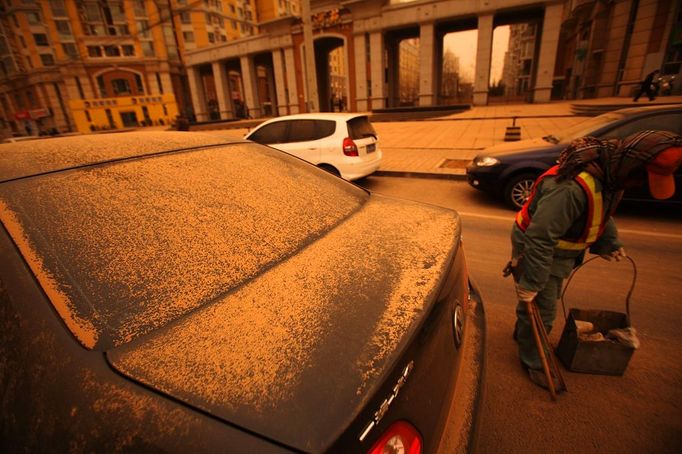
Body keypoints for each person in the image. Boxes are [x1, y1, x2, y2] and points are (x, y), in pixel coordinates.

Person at [508, 130, 682, 389]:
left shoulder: (610, 176)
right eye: (643, 180)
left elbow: (601, 211)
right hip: (537, 245)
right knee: (543, 307)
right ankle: (534, 361)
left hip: (557, 248)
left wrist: (610, 243)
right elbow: (539, 238)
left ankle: (525, 329)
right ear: (634, 168)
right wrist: (531, 281)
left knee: (539, 300)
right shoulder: (569, 190)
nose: (641, 187)